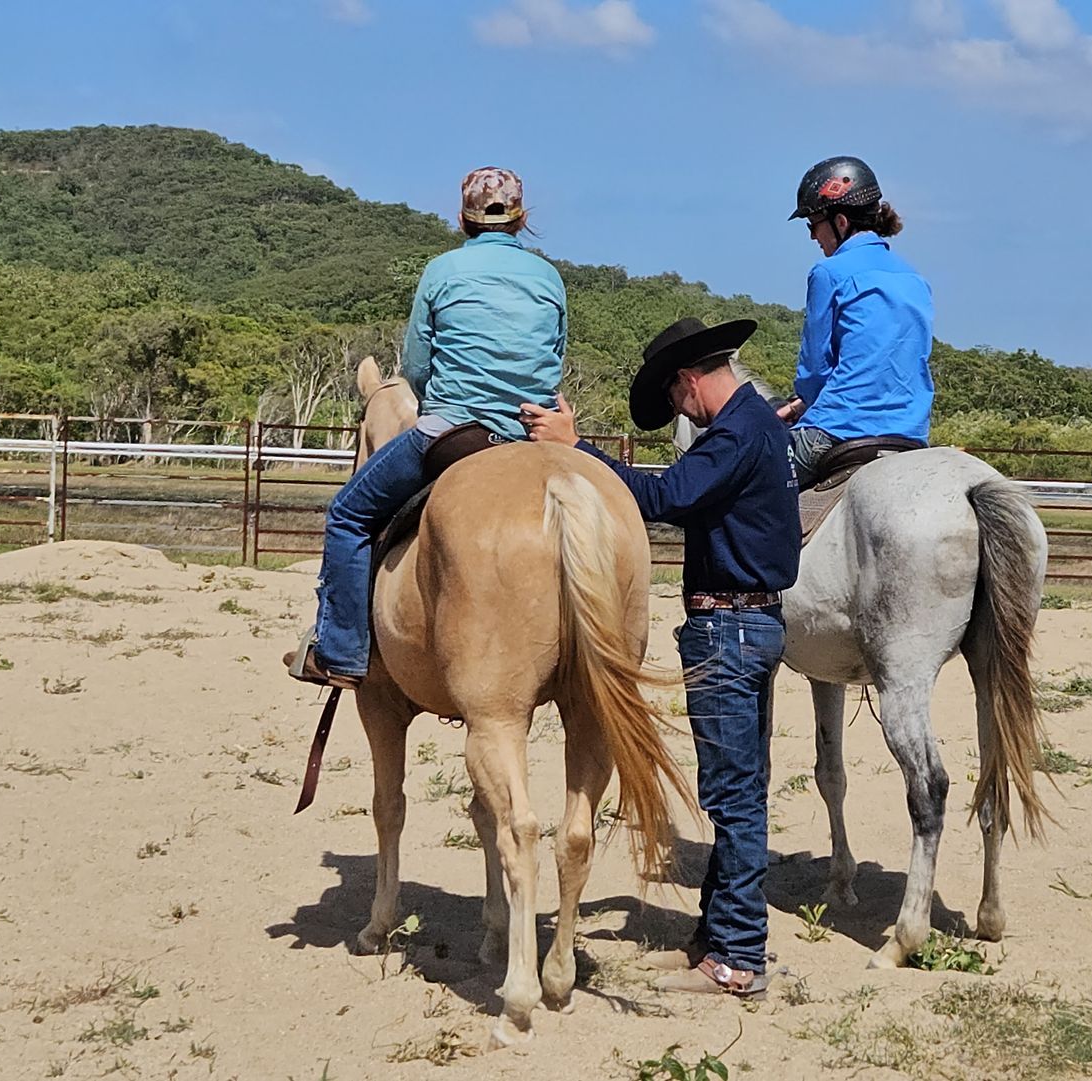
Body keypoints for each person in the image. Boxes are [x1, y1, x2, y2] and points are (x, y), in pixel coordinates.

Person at [521, 317, 801, 998]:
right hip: (753, 626)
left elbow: (660, 497)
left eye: (676, 399)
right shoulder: (760, 426)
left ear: (688, 379)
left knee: (733, 797)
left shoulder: (735, 433)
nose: (681, 411)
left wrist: (576, 447)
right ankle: (719, 936)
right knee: (740, 791)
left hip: (727, 630)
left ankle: (737, 958)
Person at [286, 167, 566, 688]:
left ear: (462, 219)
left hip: (452, 433)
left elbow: (415, 365)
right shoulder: (549, 279)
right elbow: (554, 356)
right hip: (533, 434)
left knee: (348, 514)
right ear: (522, 219)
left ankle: (342, 653)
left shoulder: (441, 271)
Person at [774, 156, 936, 488]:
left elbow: (815, 372)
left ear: (842, 222)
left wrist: (799, 403)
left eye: (813, 223)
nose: (812, 236)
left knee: (744, 489)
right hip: (910, 434)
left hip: (837, 429)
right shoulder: (914, 278)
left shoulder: (828, 273)